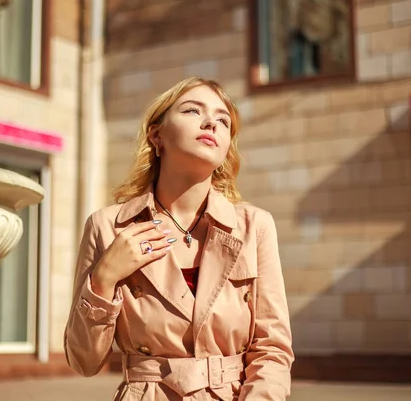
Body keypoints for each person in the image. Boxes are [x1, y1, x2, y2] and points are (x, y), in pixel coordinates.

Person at [64, 77, 294, 400]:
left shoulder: (254, 227)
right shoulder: (108, 227)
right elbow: (83, 361)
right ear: (156, 135)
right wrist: (103, 279)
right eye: (192, 110)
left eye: (223, 120)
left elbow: (272, 350)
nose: (211, 122)